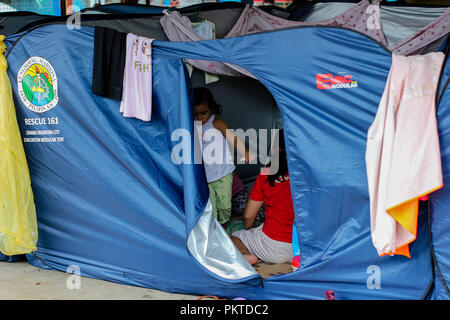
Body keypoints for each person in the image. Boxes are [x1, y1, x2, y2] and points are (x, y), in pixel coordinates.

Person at [231, 129, 295, 265]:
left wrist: (248, 229)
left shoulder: (268, 173)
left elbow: (248, 216)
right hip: (306, 248)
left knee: (234, 237)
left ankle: (245, 254)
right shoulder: (311, 174)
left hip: (274, 247)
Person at [193, 87, 254, 227]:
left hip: (223, 173)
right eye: (195, 114)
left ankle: (225, 223)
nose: (200, 117)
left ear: (212, 109)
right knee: (211, 208)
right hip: (205, 176)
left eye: (204, 113)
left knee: (225, 205)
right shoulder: (191, 125)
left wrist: (244, 152)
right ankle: (215, 229)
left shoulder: (216, 123)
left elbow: (233, 138)